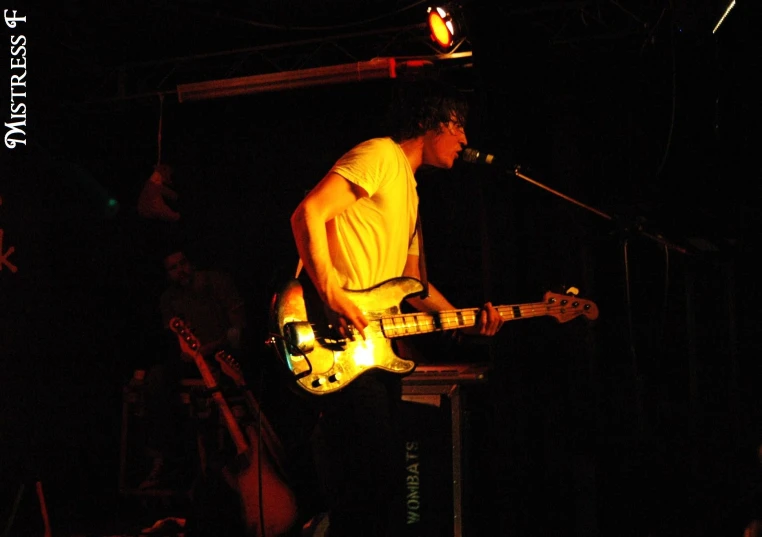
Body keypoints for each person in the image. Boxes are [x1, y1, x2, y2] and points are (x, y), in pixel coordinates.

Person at [289, 78, 505, 537]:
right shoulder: (379, 155)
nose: (464, 140)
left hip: (372, 351)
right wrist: (332, 293)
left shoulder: (410, 192)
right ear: (433, 123)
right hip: (335, 337)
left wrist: (467, 322)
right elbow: (307, 213)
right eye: (458, 126)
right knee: (367, 485)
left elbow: (413, 288)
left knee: (382, 490)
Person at [138, 247, 247, 490]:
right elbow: (174, 339)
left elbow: (238, 329)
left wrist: (210, 348)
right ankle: (163, 461)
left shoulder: (216, 282)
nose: (180, 271)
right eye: (173, 268)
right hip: (194, 362)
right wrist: (187, 354)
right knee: (156, 379)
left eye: (182, 263)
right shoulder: (169, 299)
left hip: (224, 357)